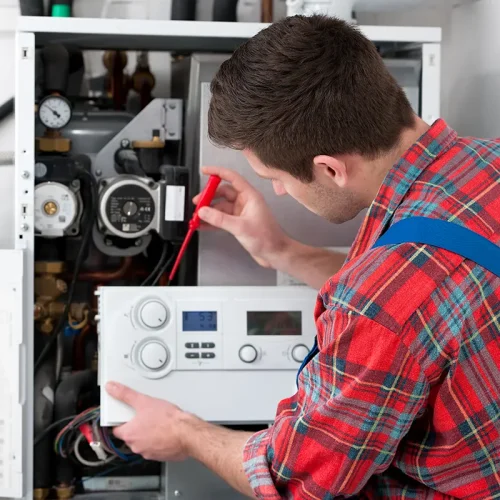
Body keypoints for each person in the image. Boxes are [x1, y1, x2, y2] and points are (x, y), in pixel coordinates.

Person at [105, 14, 500, 499]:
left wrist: (184, 432)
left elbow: (296, 481)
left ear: (330, 169)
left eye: (278, 178)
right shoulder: (488, 163)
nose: (278, 190)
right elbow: (430, 302)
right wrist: (280, 251)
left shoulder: (378, 307)